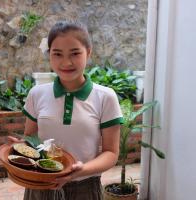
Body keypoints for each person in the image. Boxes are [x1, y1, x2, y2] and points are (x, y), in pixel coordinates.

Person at [8, 21, 124, 200]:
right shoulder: (37, 94)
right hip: (41, 184)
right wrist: (19, 146)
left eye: (75, 53)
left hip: (85, 188)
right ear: (50, 55)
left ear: (88, 52)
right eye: (57, 54)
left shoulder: (105, 97)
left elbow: (111, 153)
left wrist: (80, 170)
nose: (66, 62)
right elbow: (31, 139)